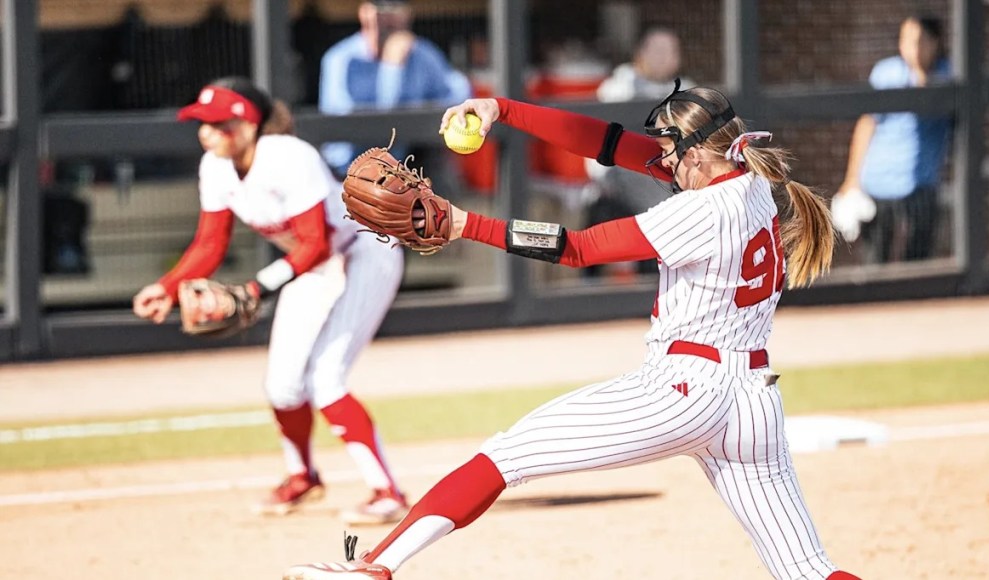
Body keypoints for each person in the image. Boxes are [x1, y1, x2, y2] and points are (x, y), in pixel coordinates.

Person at [283, 82, 860, 579]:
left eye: (668, 149)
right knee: (808, 570)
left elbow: (578, 247)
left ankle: (374, 567)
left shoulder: (700, 211)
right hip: (754, 402)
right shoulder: (750, 183)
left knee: (504, 456)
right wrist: (503, 110)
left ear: (695, 154)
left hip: (684, 391)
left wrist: (464, 223)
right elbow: (606, 143)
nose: (659, 159)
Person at [132, 77, 410, 526]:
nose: (205, 132)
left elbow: (316, 242)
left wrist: (256, 288)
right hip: (311, 265)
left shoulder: (288, 157)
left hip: (365, 251)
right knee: (282, 385)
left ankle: (387, 491)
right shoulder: (215, 167)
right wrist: (166, 287)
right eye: (201, 123)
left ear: (247, 125)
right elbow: (209, 244)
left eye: (216, 123)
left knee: (326, 378)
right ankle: (302, 475)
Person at [832, 14, 952, 263]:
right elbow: (866, 125)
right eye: (906, 40)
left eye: (919, 41)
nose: (912, 48)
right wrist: (851, 180)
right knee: (876, 263)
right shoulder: (886, 72)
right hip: (878, 185)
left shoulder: (949, 75)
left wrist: (919, 72)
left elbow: (929, 100)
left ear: (936, 43)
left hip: (920, 188)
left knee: (918, 263)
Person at [583, 27, 695, 281]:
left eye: (670, 51)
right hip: (619, 193)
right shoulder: (616, 89)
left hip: (669, 197)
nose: (663, 57)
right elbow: (596, 153)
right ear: (640, 54)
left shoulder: (687, 92)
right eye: (656, 50)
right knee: (598, 217)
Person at [318, 0, 471, 175]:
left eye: (395, 8)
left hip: (404, 165)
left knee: (437, 160)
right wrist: (392, 68)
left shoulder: (421, 53)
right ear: (364, 13)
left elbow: (460, 95)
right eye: (381, 9)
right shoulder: (341, 59)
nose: (388, 17)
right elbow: (358, 126)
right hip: (350, 168)